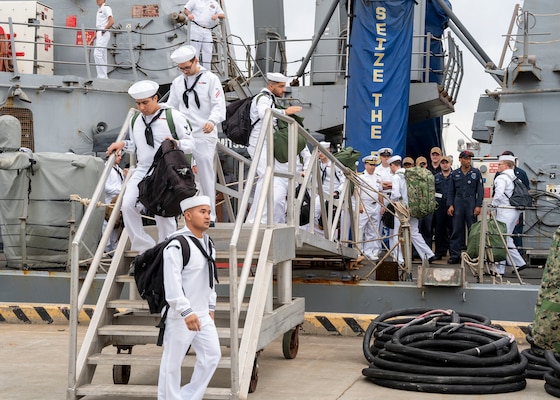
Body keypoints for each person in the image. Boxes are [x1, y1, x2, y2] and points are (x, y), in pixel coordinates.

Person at [106, 80, 195, 252]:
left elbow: (191, 144)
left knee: (164, 213)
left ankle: (166, 249)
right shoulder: (135, 121)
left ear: (156, 98)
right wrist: (123, 144)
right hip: (143, 169)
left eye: (145, 102)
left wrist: (176, 143)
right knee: (127, 205)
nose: (141, 107)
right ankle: (145, 248)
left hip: (166, 171)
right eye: (138, 103)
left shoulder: (173, 116)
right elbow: (138, 146)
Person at [158, 195, 221, 400]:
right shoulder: (176, 244)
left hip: (203, 313)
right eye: (202, 212)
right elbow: (172, 282)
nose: (207, 216)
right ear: (187, 215)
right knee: (172, 363)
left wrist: (210, 306)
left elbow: (210, 278)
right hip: (181, 315)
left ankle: (187, 397)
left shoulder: (208, 243)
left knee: (212, 356)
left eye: (209, 212)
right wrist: (185, 310)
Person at [167, 45, 226, 226]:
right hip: (185, 134)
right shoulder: (178, 83)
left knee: (205, 174)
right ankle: (185, 215)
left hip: (204, 133)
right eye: (181, 68)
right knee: (182, 175)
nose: (184, 71)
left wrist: (212, 120)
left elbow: (219, 104)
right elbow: (172, 106)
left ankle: (210, 216)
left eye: (187, 67)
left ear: (196, 61)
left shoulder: (210, 79)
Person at [246, 72, 302, 223]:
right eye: (281, 86)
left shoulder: (269, 98)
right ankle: (257, 219)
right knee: (266, 176)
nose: (284, 89)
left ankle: (257, 218)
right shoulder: (263, 98)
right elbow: (265, 113)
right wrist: (285, 112)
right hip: (259, 142)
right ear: (271, 86)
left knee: (267, 178)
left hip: (266, 142)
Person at [385, 155, 435, 265]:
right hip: (414, 207)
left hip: (401, 208)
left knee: (396, 233)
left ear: (393, 165)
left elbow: (396, 195)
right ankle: (427, 254)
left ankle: (399, 259)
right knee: (414, 232)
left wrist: (391, 199)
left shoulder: (396, 177)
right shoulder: (410, 174)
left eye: (390, 166)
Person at [491, 154, 528, 275]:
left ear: (506, 165)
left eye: (500, 164)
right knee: (506, 238)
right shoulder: (515, 178)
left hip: (504, 211)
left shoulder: (501, 178)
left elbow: (499, 194)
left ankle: (499, 269)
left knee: (500, 239)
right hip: (514, 211)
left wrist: (492, 206)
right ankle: (518, 263)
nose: (498, 166)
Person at [446, 150, 484, 264]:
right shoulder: (454, 173)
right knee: (456, 230)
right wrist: (450, 205)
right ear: (460, 159)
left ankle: (472, 255)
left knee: (472, 230)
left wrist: (478, 205)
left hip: (471, 202)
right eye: (466, 158)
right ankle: (455, 255)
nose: (468, 161)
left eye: (469, 159)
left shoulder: (476, 173)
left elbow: (480, 191)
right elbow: (450, 191)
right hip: (458, 202)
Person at [183, 0, 225, 69]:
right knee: (195, 50)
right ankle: (195, 69)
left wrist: (217, 15)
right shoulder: (194, 1)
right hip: (196, 27)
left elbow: (222, 15)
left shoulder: (214, 3)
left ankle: (207, 70)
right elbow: (186, 10)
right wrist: (189, 14)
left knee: (208, 50)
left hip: (207, 29)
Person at [314, 141, 345, 229]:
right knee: (315, 213)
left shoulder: (335, 165)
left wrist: (337, 191)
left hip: (333, 195)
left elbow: (343, 181)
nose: (320, 154)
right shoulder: (317, 164)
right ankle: (320, 235)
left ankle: (331, 238)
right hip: (321, 194)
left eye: (323, 151)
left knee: (331, 218)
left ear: (328, 151)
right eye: (319, 151)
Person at [357, 155, 381, 260]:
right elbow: (356, 191)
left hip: (375, 205)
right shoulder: (361, 177)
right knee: (360, 228)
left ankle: (369, 251)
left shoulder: (378, 177)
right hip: (364, 204)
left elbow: (380, 192)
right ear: (366, 165)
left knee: (372, 230)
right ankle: (358, 250)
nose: (372, 167)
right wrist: (359, 204)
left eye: (374, 165)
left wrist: (382, 205)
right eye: (370, 164)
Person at [103, 152, 126, 253]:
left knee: (117, 224)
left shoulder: (119, 170)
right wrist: (121, 190)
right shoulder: (106, 168)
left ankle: (114, 248)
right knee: (107, 224)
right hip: (109, 202)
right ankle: (106, 248)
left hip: (118, 201)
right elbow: (106, 187)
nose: (120, 158)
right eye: (118, 156)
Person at [433, 155, 453, 260]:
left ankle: (453, 253)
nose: (445, 165)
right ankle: (439, 253)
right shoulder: (436, 177)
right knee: (439, 230)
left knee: (452, 230)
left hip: (451, 205)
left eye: (446, 163)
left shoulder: (455, 176)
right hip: (439, 205)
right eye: (443, 163)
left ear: (450, 164)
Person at [90, 0, 114, 79]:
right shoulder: (99, 10)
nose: (97, 0)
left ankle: (101, 76)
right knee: (102, 55)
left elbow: (111, 21)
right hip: (100, 33)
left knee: (97, 53)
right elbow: (98, 27)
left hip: (103, 33)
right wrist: (93, 39)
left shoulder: (106, 8)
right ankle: (104, 77)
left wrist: (104, 30)